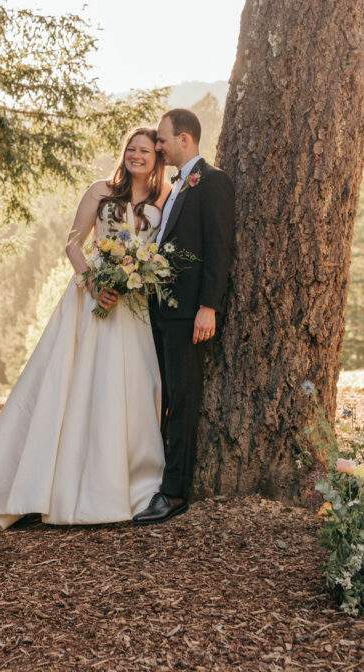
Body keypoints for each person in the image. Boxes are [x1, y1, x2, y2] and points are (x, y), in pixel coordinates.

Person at [0, 126, 171, 532]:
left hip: (134, 306)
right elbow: (73, 243)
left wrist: (139, 276)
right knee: (74, 383)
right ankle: (48, 483)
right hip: (93, 298)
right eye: (131, 149)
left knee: (131, 387)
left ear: (157, 159)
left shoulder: (163, 197)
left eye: (145, 151)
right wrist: (94, 283)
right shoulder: (100, 191)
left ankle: (123, 482)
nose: (136, 156)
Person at [132, 108, 235, 525]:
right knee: (165, 398)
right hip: (161, 311)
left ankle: (175, 493)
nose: (158, 146)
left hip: (189, 313)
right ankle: (155, 479)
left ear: (184, 139)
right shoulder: (176, 185)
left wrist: (208, 307)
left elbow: (219, 248)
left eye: (161, 139)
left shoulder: (213, 182)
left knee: (183, 399)